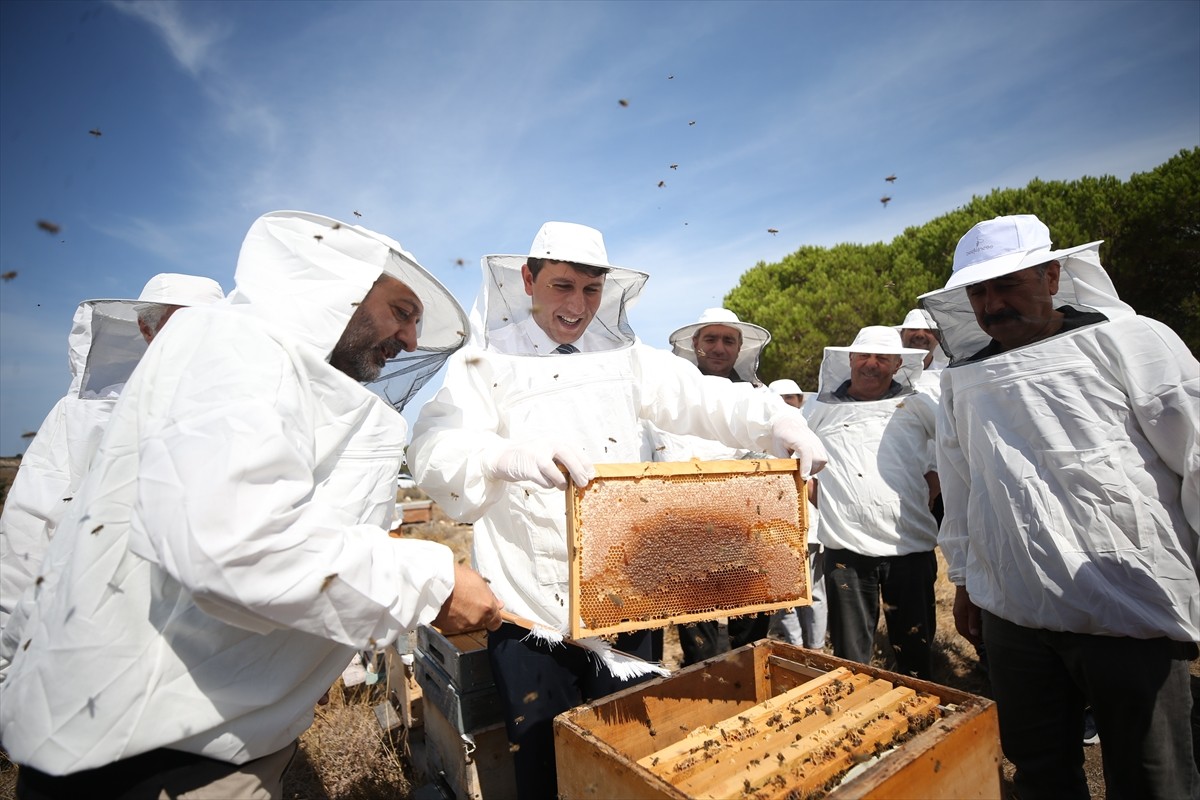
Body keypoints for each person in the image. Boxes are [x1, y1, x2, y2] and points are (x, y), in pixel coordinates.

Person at [0, 211, 503, 798]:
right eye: (401, 312)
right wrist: (435, 580)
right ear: (338, 291)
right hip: (147, 758)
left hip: (208, 740)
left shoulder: (268, 367)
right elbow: (234, 543)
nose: (413, 340)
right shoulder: (234, 346)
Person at [408, 221, 827, 800]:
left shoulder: (623, 356)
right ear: (527, 280)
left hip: (626, 597)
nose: (576, 306)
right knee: (546, 769)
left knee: (628, 757)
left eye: (590, 289)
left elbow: (702, 397)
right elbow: (433, 447)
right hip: (531, 611)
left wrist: (777, 421)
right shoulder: (484, 362)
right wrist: (505, 456)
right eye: (561, 286)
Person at [919, 214, 1200, 799]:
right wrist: (968, 581)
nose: (992, 304)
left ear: (1052, 276)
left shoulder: (1131, 339)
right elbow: (964, 486)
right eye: (979, 291)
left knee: (1153, 778)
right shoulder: (960, 378)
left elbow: (1194, 454)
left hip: (1128, 603)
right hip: (1013, 609)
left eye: (1008, 285)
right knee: (1039, 768)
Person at [0, 273, 224, 651]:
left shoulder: (243, 413)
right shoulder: (85, 417)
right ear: (146, 328)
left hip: (205, 638)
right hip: (90, 628)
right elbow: (31, 527)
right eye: (180, 325)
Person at [804, 325, 940, 679]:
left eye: (883, 358)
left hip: (909, 548)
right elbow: (798, 467)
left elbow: (949, 451)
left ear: (897, 364)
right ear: (850, 358)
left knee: (916, 652)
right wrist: (826, 500)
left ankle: (919, 718)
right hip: (845, 553)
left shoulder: (918, 404)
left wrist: (927, 491)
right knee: (851, 660)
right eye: (864, 355)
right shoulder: (818, 410)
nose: (872, 364)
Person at [653, 308, 775, 666]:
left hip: (746, 531)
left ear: (739, 348)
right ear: (695, 344)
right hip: (685, 532)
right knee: (698, 639)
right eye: (711, 339)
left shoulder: (759, 395)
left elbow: (767, 458)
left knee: (750, 634)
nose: (719, 347)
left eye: (728, 340)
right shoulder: (671, 394)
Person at [765, 378, 828, 651]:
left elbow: (818, 487)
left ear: (801, 400)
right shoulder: (764, 434)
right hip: (774, 529)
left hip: (809, 527)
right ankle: (796, 647)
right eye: (782, 398)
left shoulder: (811, 432)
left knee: (814, 592)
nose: (788, 402)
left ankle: (815, 648)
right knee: (784, 592)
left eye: (793, 397)